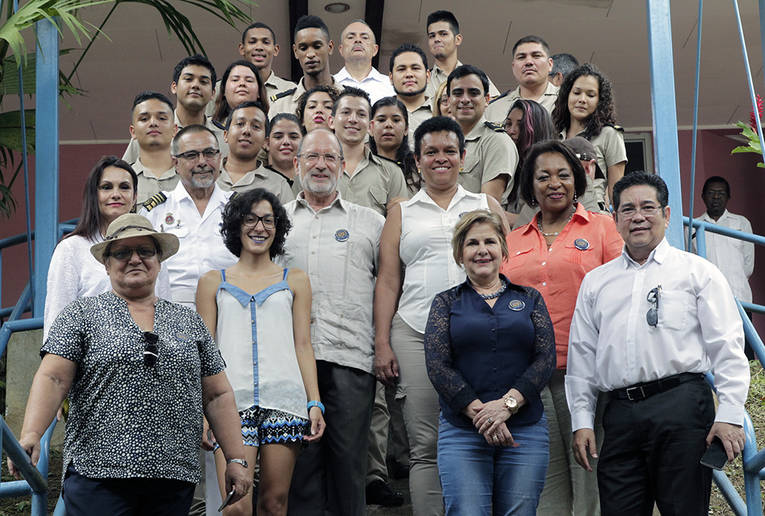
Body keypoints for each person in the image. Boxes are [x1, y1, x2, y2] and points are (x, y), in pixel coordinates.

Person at [12, 214, 251, 515]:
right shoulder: (81, 314)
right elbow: (53, 378)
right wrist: (32, 434)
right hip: (98, 475)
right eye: (122, 253)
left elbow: (217, 394)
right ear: (107, 263)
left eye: (145, 251)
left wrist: (235, 458)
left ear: (159, 260)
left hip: (172, 476)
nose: (135, 259)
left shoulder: (189, 321)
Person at [566, 172, 750, 515]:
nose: (638, 216)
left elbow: (727, 346)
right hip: (619, 414)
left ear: (666, 215)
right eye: (628, 209)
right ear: (615, 218)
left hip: (681, 408)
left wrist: (730, 414)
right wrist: (582, 420)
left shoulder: (698, 272)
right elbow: (582, 357)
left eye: (648, 207)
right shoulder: (596, 283)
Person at [374, 116, 506, 516]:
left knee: (486, 430)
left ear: (463, 157)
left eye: (449, 150)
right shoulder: (401, 212)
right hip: (415, 334)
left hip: (484, 335)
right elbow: (387, 281)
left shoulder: (486, 206)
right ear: (417, 160)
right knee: (425, 444)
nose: (440, 158)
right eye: (431, 152)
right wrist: (382, 342)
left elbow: (508, 272)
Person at [500, 140, 622, 515]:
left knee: (589, 474)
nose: (554, 183)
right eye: (543, 176)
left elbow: (622, 291)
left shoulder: (603, 228)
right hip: (527, 378)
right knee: (543, 479)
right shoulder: (511, 239)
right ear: (530, 185)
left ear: (578, 179)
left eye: (563, 174)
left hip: (585, 372)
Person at [196, 189, 325, 515]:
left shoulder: (294, 279)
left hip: (284, 400)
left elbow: (303, 345)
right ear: (236, 226)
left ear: (277, 227)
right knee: (235, 505)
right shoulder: (213, 282)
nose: (259, 227)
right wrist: (203, 410)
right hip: (229, 404)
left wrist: (314, 403)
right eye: (251, 219)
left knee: (274, 503)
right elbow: (205, 353)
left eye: (268, 220)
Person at [281, 129, 384, 516]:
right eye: (311, 157)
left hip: (351, 357)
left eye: (329, 157)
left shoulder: (371, 223)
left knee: (347, 467)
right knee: (300, 469)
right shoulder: (275, 223)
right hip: (290, 362)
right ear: (296, 164)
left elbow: (388, 286)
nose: (320, 164)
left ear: (343, 166)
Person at [425, 209, 556, 515]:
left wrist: (507, 405)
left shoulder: (530, 298)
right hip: (462, 430)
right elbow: (437, 364)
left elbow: (545, 358)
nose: (482, 250)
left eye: (490, 241)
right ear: (460, 254)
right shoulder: (445, 303)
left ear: (502, 249)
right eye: (472, 243)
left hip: (524, 427)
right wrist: (483, 414)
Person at [44, 156, 171, 340]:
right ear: (94, 195)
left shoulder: (152, 249)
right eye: (106, 187)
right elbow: (57, 319)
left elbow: (165, 314)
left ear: (135, 197)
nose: (116, 194)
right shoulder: (71, 248)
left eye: (124, 187)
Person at [141, 125, 237, 309]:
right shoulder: (156, 211)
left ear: (219, 158)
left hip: (229, 310)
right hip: (171, 311)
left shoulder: (238, 209)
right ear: (175, 163)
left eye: (209, 153)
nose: (202, 162)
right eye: (191, 155)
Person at [694, 176, 755, 359]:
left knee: (744, 351)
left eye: (721, 193)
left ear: (728, 197)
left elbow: (748, 264)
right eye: (711, 193)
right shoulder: (693, 226)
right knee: (713, 351)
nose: (716, 197)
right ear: (703, 196)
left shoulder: (741, 223)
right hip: (708, 300)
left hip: (740, 297)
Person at [123, 55, 224, 163]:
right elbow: (123, 175)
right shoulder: (150, 132)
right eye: (188, 79)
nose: (195, 85)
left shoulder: (224, 138)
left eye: (203, 82)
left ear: (213, 93)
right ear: (174, 87)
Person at [553, 63, 627, 206]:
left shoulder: (609, 134)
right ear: (567, 95)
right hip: (557, 215)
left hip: (593, 213)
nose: (582, 99)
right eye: (576, 92)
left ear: (600, 101)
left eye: (590, 95)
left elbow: (616, 191)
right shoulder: (553, 134)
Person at [331, 87, 409, 216]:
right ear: (331, 121)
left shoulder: (392, 172)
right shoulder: (313, 167)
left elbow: (399, 224)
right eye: (346, 112)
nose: (353, 119)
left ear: (370, 126)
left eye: (361, 114)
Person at [447, 64, 519, 203]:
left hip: (475, 223)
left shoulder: (497, 141)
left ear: (487, 99)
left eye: (473, 93)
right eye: (458, 93)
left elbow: (488, 205)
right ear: (449, 100)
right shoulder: (441, 140)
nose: (465, 99)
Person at [217, 100, 294, 203]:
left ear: (265, 142)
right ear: (225, 135)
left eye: (256, 126)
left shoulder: (279, 186)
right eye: (240, 124)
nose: (247, 131)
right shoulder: (205, 173)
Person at [500, 98, 556, 227]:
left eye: (521, 125)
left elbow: (546, 221)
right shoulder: (505, 163)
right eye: (508, 124)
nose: (511, 131)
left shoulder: (548, 171)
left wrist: (500, 216)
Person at [269, 15, 338, 118]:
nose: (310, 54)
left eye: (317, 46)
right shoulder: (280, 106)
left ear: (330, 47)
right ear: (295, 51)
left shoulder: (350, 99)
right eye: (303, 48)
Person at [424, 10, 499, 99]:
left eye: (443, 34)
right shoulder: (422, 81)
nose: (437, 39)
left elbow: (496, 108)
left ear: (458, 39)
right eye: (432, 36)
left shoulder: (477, 78)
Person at [486, 35, 559, 124]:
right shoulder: (494, 109)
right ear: (513, 66)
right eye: (521, 57)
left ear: (550, 64)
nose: (528, 62)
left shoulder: (566, 101)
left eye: (536, 56)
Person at [126, 91, 178, 203]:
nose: (153, 123)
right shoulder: (124, 179)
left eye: (162, 118)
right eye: (144, 119)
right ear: (133, 131)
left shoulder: (189, 176)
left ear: (174, 129)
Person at [334, 20, 395, 105]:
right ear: (341, 50)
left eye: (365, 37)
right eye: (351, 37)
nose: (358, 40)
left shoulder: (391, 86)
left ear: (375, 50)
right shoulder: (331, 84)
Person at [369, 96, 421, 195]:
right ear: (370, 128)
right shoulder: (362, 167)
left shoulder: (419, 166)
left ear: (406, 129)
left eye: (396, 120)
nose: (388, 125)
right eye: (381, 120)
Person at [238, 22, 297, 101]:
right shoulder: (224, 87)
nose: (259, 47)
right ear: (242, 49)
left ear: (276, 50)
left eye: (266, 42)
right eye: (252, 42)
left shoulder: (291, 89)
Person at [389, 44, 432, 147]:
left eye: (415, 68)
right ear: (391, 78)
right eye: (401, 69)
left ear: (428, 75)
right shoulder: (377, 115)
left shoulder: (443, 113)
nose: (409, 74)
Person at [212, 60, 270, 129]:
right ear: (224, 90)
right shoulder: (210, 126)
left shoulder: (271, 129)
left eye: (249, 80)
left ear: (259, 92)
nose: (242, 83)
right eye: (235, 80)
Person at [264, 113, 303, 192]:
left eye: (293, 137)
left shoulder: (311, 179)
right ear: (267, 143)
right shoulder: (258, 183)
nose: (286, 142)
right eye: (278, 137)